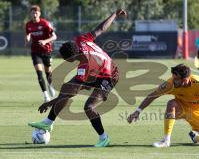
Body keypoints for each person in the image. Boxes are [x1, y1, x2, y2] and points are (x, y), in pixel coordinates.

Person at [28, 9, 127, 147]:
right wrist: (115, 14)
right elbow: (101, 29)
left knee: (89, 107)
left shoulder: (84, 67)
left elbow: (72, 93)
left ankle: (104, 138)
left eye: (66, 60)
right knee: (66, 87)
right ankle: (48, 123)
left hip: (110, 75)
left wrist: (49, 103)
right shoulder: (81, 40)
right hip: (98, 70)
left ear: (72, 57)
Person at [127, 64, 199, 147]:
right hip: (180, 109)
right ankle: (166, 140)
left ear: (185, 80)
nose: (173, 81)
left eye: (176, 79)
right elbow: (152, 95)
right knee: (171, 103)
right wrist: (138, 111)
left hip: (198, 112)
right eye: (173, 77)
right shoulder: (170, 84)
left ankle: (195, 137)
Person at [25, 5, 57, 102]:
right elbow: (28, 34)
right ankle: (46, 95)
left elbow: (54, 37)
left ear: (39, 13)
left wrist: (45, 41)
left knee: (48, 73)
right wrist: (27, 38)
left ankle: (50, 85)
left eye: (36, 13)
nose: (34, 14)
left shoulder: (45, 24)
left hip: (46, 50)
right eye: (33, 13)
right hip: (35, 52)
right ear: (30, 14)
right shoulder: (28, 25)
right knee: (39, 73)